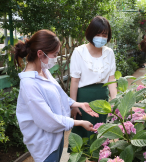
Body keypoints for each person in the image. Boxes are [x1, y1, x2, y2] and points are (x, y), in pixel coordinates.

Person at [15, 30, 99, 162]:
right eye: (54, 55)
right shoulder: (29, 84)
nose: (56, 58)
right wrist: (79, 122)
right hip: (45, 144)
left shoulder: (43, 71)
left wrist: (78, 104)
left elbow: (59, 95)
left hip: (56, 136)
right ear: (40, 54)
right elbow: (48, 120)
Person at [69, 16, 117, 143]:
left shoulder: (109, 53)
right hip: (84, 99)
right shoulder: (79, 52)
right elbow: (74, 80)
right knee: (84, 136)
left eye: (104, 34)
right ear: (91, 33)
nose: (101, 37)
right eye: (98, 33)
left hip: (102, 97)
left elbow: (111, 79)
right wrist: (73, 105)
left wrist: (115, 101)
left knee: (101, 135)